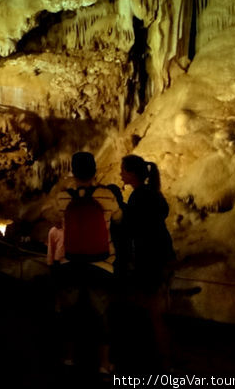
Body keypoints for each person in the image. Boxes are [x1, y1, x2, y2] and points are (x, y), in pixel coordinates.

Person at [55, 151, 121, 373]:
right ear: (94, 171)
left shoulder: (63, 197)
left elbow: (54, 216)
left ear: (73, 171)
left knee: (69, 314)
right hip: (100, 264)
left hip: (70, 262)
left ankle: (68, 358)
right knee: (102, 315)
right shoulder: (106, 196)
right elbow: (119, 217)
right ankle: (103, 364)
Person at [110, 155, 175, 370]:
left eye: (123, 170)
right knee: (155, 307)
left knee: (152, 309)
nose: (120, 174)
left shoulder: (139, 197)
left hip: (150, 257)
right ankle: (158, 356)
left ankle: (159, 360)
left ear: (131, 173)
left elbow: (132, 228)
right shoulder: (153, 193)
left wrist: (120, 214)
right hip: (163, 252)